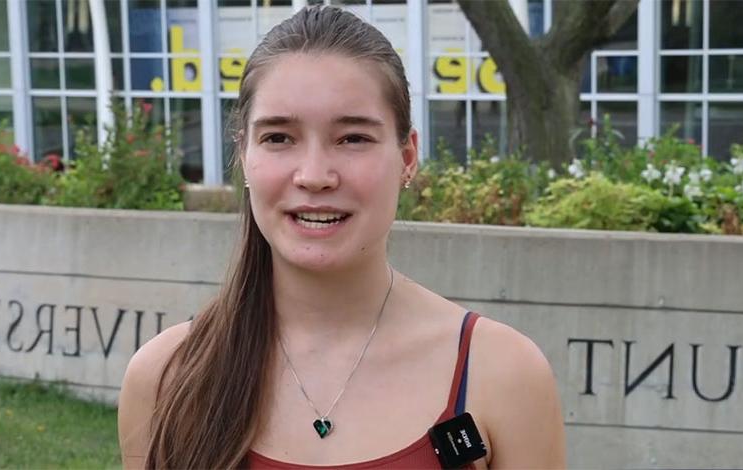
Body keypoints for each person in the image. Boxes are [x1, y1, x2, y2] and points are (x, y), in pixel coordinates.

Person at [116, 6, 565, 469]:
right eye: (278, 137)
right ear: (244, 154)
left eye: (352, 138)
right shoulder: (167, 377)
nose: (314, 176)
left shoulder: (503, 373)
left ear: (407, 157)